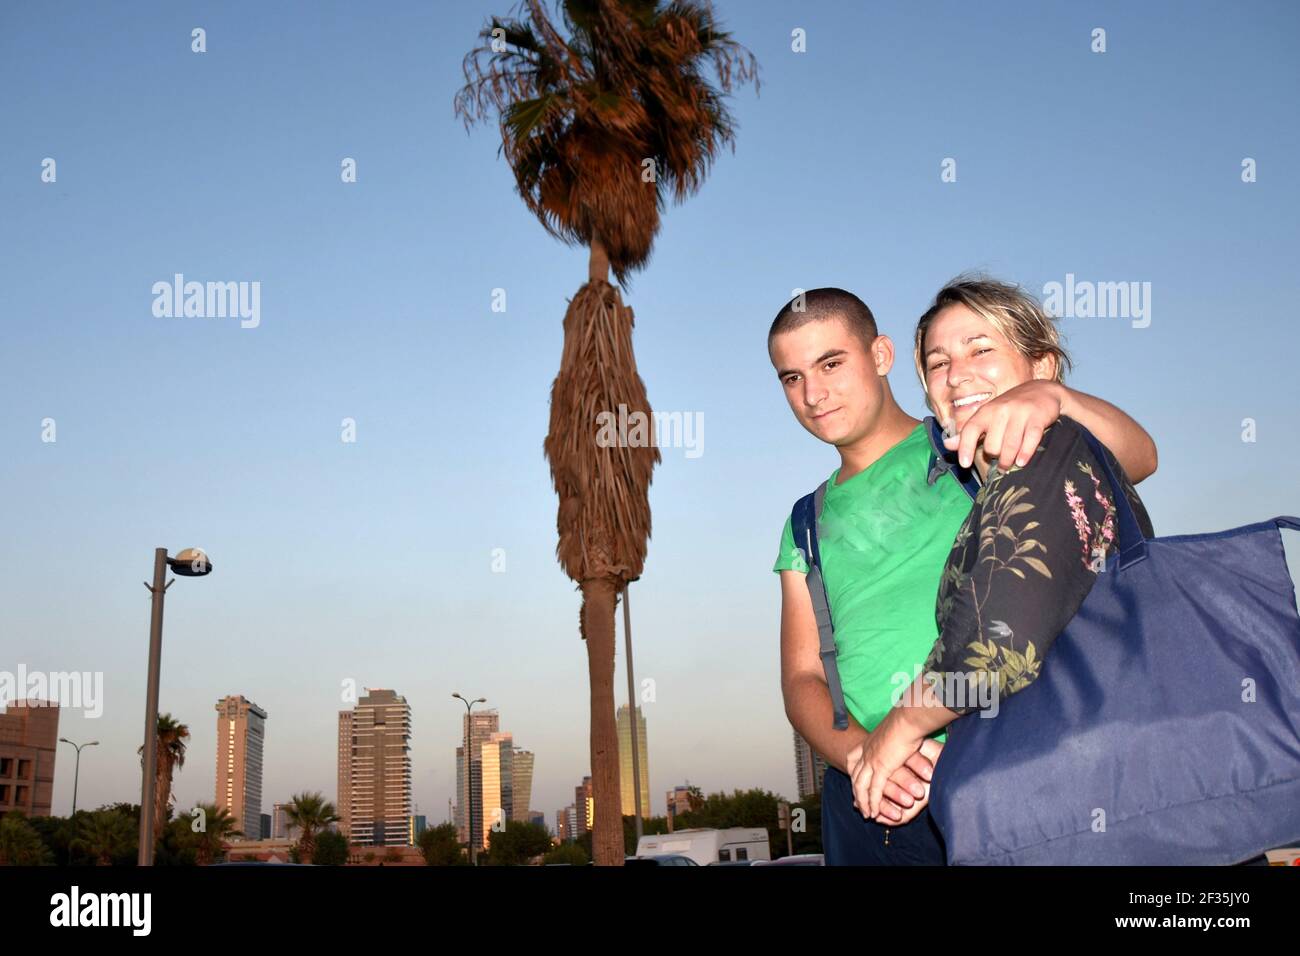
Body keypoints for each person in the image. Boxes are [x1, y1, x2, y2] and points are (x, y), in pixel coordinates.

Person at [770, 286, 1157, 865]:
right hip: (867, 798)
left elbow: (1137, 459)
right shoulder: (805, 519)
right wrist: (861, 755)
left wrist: (1053, 397)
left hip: (997, 763)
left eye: (830, 363)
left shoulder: (969, 439)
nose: (813, 393)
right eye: (791, 377)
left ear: (880, 356)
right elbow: (801, 677)